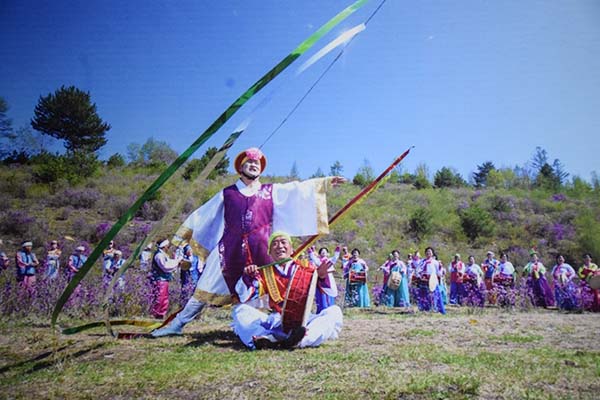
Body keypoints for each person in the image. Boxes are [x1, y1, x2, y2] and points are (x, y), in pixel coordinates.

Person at [152, 147, 344, 337]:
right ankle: (177, 324)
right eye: (249, 162)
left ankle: (280, 327)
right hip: (229, 250)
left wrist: (324, 183)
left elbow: (296, 189)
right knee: (204, 288)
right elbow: (204, 214)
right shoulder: (227, 193)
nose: (254, 165)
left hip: (262, 249)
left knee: (274, 287)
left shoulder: (270, 191)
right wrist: (183, 236)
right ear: (240, 167)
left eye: (257, 163)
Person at [232, 231, 343, 350]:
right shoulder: (265, 273)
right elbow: (244, 297)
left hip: (303, 321)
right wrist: (247, 277)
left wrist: (322, 277)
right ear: (269, 252)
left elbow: (332, 292)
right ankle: (265, 338)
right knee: (240, 310)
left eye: (283, 242)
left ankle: (299, 340)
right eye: (275, 244)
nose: (279, 246)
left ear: (291, 249)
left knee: (334, 312)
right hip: (276, 320)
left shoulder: (307, 267)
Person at [151, 239, 181, 319]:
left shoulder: (163, 255)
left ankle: (161, 314)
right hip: (159, 279)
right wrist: (176, 263)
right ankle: (155, 313)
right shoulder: (159, 255)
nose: (169, 247)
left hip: (164, 279)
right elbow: (165, 266)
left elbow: (169, 262)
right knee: (159, 297)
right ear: (164, 246)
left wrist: (176, 261)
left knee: (164, 298)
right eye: (168, 246)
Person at [308, 245, 340, 313]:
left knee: (329, 293)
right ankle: (321, 310)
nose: (323, 252)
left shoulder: (329, 261)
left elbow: (335, 258)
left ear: (327, 253)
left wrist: (337, 252)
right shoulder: (318, 261)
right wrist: (311, 253)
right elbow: (314, 259)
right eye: (322, 252)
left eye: (325, 251)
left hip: (329, 278)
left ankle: (330, 309)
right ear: (320, 253)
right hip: (320, 279)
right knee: (321, 295)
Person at [415, 247, 445, 314]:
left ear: (432, 253)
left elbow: (439, 272)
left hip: (432, 281)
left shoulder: (435, 262)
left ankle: (434, 308)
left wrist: (441, 269)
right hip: (424, 280)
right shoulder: (422, 261)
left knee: (434, 295)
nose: (428, 253)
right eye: (427, 251)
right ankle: (424, 309)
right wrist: (419, 276)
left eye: (430, 251)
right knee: (424, 295)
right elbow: (417, 270)